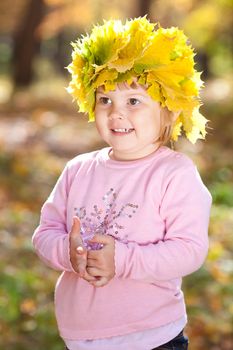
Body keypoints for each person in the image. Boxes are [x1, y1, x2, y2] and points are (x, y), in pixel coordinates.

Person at [32, 17, 212, 350]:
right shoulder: (77, 169)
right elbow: (44, 233)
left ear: (168, 110)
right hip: (82, 336)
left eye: (134, 101)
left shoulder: (174, 173)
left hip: (152, 335)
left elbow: (189, 250)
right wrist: (66, 252)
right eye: (105, 100)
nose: (116, 113)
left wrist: (123, 259)